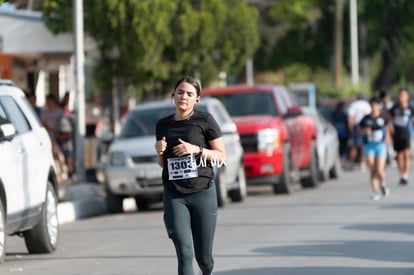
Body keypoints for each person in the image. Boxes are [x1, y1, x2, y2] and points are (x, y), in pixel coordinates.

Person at [155, 76, 226, 275]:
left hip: (202, 193)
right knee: (185, 252)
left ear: (197, 99)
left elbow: (221, 156)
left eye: (189, 94)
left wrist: (196, 149)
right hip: (174, 194)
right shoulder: (162, 125)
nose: (183, 97)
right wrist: (159, 151)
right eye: (180, 92)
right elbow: (163, 164)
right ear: (173, 96)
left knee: (204, 259)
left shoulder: (205, 121)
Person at [359, 97, 390, 200]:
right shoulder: (365, 119)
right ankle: (375, 191)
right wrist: (365, 131)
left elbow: (388, 130)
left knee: (379, 170)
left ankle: (383, 184)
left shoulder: (383, 118)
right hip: (369, 145)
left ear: (379, 106)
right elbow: (359, 132)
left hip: (380, 145)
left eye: (376, 105)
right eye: (372, 105)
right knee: (372, 169)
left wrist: (388, 140)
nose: (374, 107)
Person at [388, 88, 414, 185]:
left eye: (403, 95)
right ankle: (401, 173)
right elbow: (389, 119)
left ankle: (405, 175)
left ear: (407, 96)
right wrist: (390, 129)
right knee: (399, 155)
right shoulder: (394, 108)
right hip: (397, 133)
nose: (401, 97)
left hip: (406, 132)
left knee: (407, 154)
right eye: (400, 95)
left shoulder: (410, 108)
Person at [347, 93, 372, 171]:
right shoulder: (367, 105)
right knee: (363, 146)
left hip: (356, 126)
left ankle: (351, 164)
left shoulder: (354, 105)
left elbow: (350, 117)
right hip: (365, 126)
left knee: (354, 146)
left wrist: (350, 129)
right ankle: (363, 164)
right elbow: (370, 117)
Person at [331, 100, 349, 165]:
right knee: (341, 148)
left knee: (341, 148)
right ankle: (340, 160)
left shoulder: (334, 114)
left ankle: (340, 160)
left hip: (341, 134)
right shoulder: (338, 115)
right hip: (340, 134)